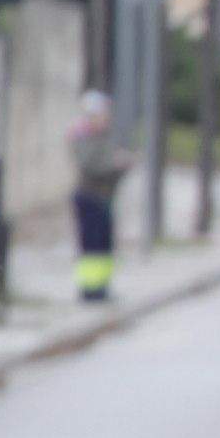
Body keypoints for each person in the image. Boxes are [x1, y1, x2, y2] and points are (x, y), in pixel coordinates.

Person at [68, 91, 130, 301]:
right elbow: (90, 165)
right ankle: (90, 289)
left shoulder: (102, 136)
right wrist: (115, 164)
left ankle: (101, 287)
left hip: (103, 197)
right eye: (102, 114)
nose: (106, 118)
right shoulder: (84, 137)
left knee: (104, 245)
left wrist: (123, 165)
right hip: (90, 197)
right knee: (92, 246)